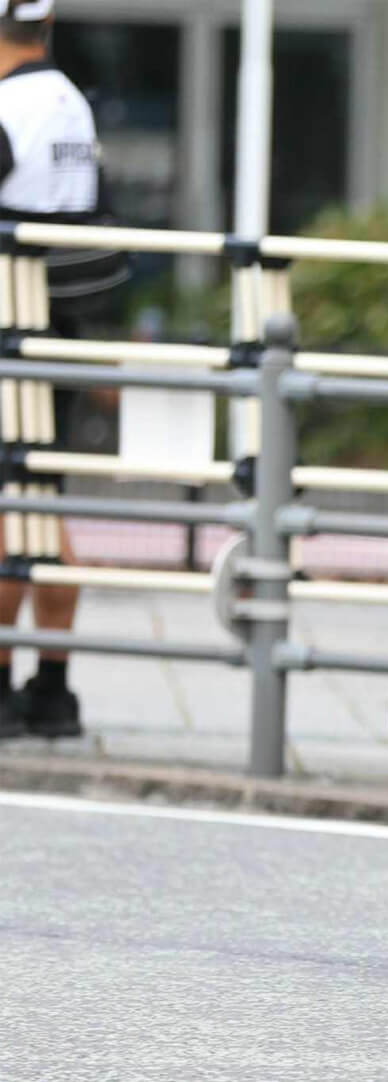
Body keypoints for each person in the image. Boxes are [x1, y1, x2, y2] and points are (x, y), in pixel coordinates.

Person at [0, 0, 107, 739]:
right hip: (60, 322)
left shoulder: (7, 106)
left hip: (8, 317)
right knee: (42, 503)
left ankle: (5, 685)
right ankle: (54, 687)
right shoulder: (71, 104)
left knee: (14, 506)